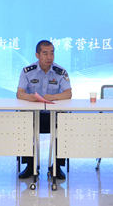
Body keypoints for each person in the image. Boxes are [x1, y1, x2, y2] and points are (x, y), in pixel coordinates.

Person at [16, 40, 72, 180]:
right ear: (37, 55)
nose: (49, 57)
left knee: (64, 126)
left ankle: (56, 167)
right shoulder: (27, 71)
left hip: (53, 116)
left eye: (52, 53)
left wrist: (54, 97)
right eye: (45, 53)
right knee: (25, 125)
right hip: (34, 116)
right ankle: (30, 166)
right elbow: (19, 93)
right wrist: (28, 97)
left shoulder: (60, 71)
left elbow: (68, 93)